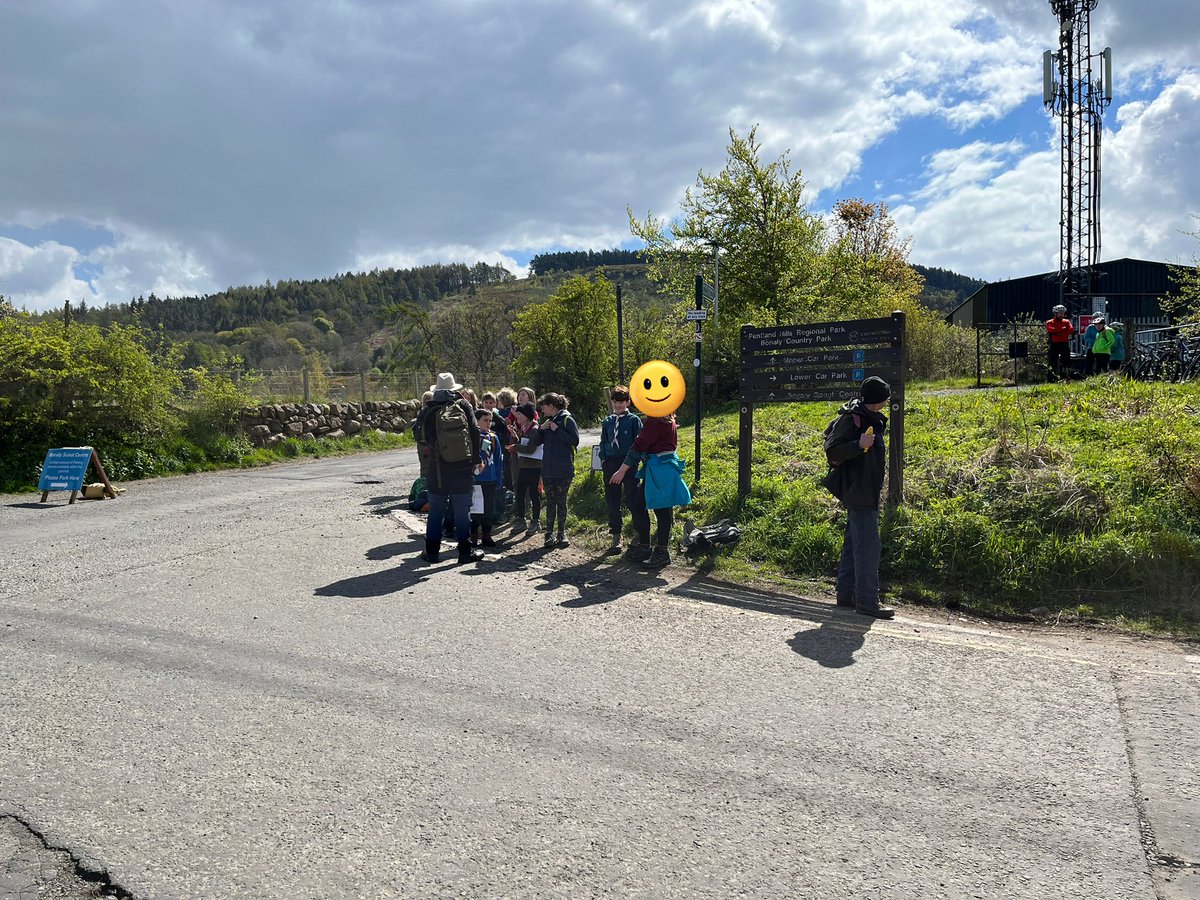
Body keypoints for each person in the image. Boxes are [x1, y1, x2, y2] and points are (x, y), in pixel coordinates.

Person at [822, 376, 895, 619]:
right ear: (879, 399)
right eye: (886, 395)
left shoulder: (869, 416)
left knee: (855, 543)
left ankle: (847, 596)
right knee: (868, 547)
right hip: (859, 491)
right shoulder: (852, 418)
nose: (888, 399)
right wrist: (858, 444)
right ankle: (867, 601)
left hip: (864, 491)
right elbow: (832, 451)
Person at [609, 411, 691, 568]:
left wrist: (621, 471)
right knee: (640, 505)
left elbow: (639, 446)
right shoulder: (665, 417)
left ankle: (661, 551)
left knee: (659, 509)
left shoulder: (656, 420)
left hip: (660, 468)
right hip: (659, 467)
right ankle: (646, 547)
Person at [419, 372, 484, 564]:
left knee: (436, 510)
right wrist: (475, 460)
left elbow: (420, 437)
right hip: (462, 467)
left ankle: (432, 553)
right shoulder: (464, 405)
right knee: (462, 511)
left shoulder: (429, 409)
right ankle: (465, 553)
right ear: (455, 389)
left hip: (437, 469)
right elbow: (474, 433)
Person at [598, 385, 645, 553]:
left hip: (628, 463)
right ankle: (616, 535)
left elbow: (638, 444)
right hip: (610, 463)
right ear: (612, 402)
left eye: (621, 402)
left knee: (633, 499)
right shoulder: (608, 421)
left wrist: (631, 463)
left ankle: (639, 532)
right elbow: (603, 441)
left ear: (628, 403)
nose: (618, 405)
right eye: (615, 402)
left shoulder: (633, 420)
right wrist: (603, 459)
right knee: (612, 500)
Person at [530, 392, 580, 547]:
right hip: (548, 469)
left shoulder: (567, 420)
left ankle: (561, 533)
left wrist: (557, 430)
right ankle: (549, 534)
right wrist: (541, 429)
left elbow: (574, 441)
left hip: (564, 469)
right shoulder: (546, 422)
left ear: (551, 406)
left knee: (561, 501)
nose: (542, 411)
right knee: (550, 502)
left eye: (544, 407)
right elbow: (534, 444)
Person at [470, 408, 503, 548]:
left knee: (488, 509)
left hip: (490, 478)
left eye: (490, 421)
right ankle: (473, 535)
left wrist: (499, 479)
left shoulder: (493, 438)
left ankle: (486, 535)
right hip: (476, 479)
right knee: (475, 509)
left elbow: (498, 459)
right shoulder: (472, 437)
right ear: (477, 421)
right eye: (485, 420)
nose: (488, 423)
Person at [508, 402, 542, 533]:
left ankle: (536, 522)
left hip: (534, 467)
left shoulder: (534, 429)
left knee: (534, 494)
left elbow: (531, 449)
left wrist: (515, 447)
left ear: (526, 415)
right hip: (524, 466)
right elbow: (522, 444)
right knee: (520, 493)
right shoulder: (524, 427)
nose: (517, 416)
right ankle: (521, 520)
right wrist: (514, 437)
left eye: (519, 414)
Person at [1046, 304, 1074, 379]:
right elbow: (1051, 330)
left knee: (1066, 361)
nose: (1062, 314)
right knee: (1052, 361)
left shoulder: (1066, 321)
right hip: (1054, 344)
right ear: (1055, 313)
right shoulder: (1050, 322)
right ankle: (1051, 378)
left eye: (1063, 313)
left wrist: (1058, 332)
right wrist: (1063, 330)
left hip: (1064, 343)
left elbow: (1071, 330)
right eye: (1060, 313)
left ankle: (1065, 377)